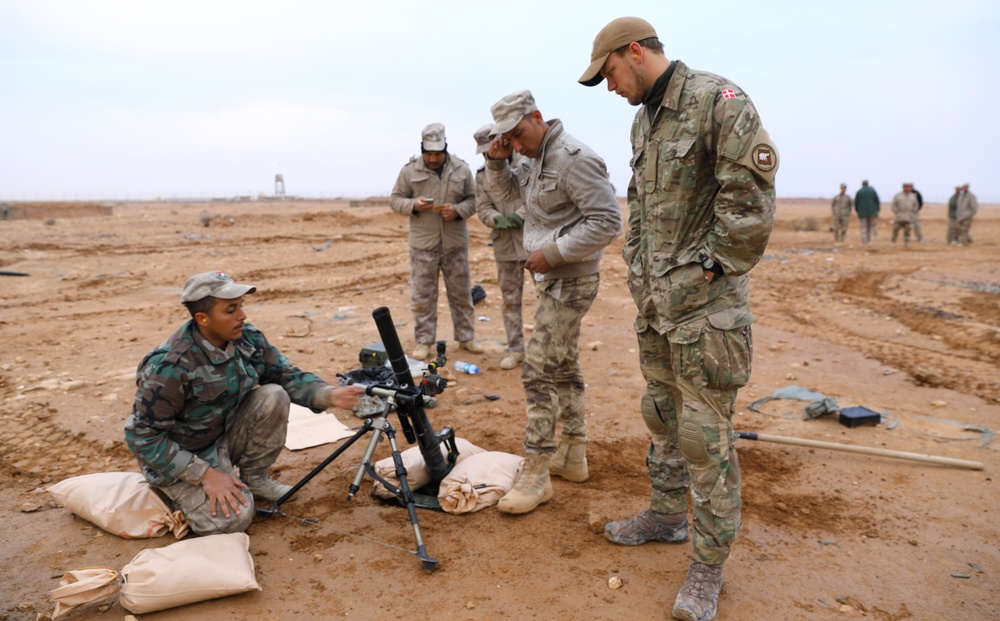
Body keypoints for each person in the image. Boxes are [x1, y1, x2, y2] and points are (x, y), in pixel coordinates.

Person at [579, 17, 777, 621]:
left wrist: (704, 275)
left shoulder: (719, 103)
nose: (610, 87)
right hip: (658, 309)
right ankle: (665, 516)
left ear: (634, 52)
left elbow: (750, 208)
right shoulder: (645, 119)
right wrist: (640, 270)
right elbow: (640, 207)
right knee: (661, 415)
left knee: (704, 435)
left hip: (708, 316)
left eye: (609, 73)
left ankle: (707, 567)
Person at [125, 271, 363, 535]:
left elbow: (283, 375)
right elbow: (143, 438)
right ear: (202, 319)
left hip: (221, 434)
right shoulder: (169, 366)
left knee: (274, 395)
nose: (242, 316)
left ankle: (255, 478)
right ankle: (179, 494)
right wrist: (206, 475)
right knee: (233, 519)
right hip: (182, 455)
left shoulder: (246, 338)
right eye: (230, 310)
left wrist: (329, 395)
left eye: (241, 306)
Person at [485, 89, 622, 514]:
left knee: (538, 369)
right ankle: (573, 454)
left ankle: (538, 470)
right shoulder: (528, 157)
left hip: (571, 278)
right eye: (509, 138)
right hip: (549, 277)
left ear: (538, 117)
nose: (517, 144)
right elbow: (510, 198)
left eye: (519, 134)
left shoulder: (574, 158)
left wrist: (556, 252)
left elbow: (608, 221)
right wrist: (496, 161)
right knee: (563, 363)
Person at [390, 123, 484, 359]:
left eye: (437, 153)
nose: (433, 158)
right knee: (423, 297)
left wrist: (458, 210)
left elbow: (475, 200)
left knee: (461, 294)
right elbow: (395, 200)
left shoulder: (462, 170)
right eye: (428, 153)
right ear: (422, 149)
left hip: (454, 244)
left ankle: (466, 338)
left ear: (445, 149)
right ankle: (423, 341)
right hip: (423, 246)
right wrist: (414, 205)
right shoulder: (409, 171)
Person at [473, 124, 529, 371]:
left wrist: (520, 215)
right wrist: (495, 219)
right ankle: (516, 349)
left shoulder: (526, 164)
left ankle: (544, 352)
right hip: (504, 245)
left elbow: (540, 197)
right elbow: (482, 206)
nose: (489, 155)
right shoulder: (482, 174)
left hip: (533, 241)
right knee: (510, 300)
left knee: (548, 298)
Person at [891, 183, 920, 247]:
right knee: (895, 230)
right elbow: (893, 205)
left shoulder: (913, 196)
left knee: (907, 231)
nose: (908, 188)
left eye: (909, 187)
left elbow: (916, 205)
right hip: (899, 217)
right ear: (903, 187)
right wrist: (897, 212)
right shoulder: (898, 196)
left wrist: (913, 212)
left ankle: (907, 243)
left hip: (909, 217)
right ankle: (893, 241)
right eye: (906, 187)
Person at [854, 179, 880, 246]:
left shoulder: (859, 192)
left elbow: (856, 203)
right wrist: (877, 210)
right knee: (870, 227)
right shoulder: (872, 191)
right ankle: (869, 240)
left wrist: (858, 211)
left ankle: (864, 242)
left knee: (863, 227)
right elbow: (877, 201)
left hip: (862, 213)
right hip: (872, 212)